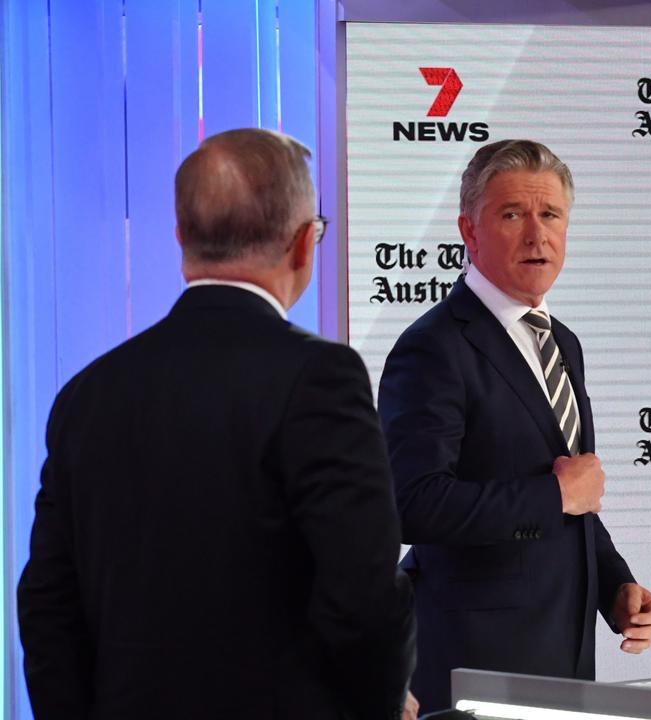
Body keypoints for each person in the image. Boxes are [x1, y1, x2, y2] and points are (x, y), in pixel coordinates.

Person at [17, 128, 417, 719]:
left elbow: (48, 603)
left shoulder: (87, 395)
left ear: (181, 237)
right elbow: (362, 597)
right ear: (305, 243)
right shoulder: (321, 378)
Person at [378, 139, 651, 712]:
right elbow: (410, 503)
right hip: (475, 673)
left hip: (565, 666)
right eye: (512, 215)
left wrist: (616, 588)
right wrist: (552, 493)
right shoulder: (433, 347)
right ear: (469, 230)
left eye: (550, 215)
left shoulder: (563, 344)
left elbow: (574, 501)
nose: (538, 235)